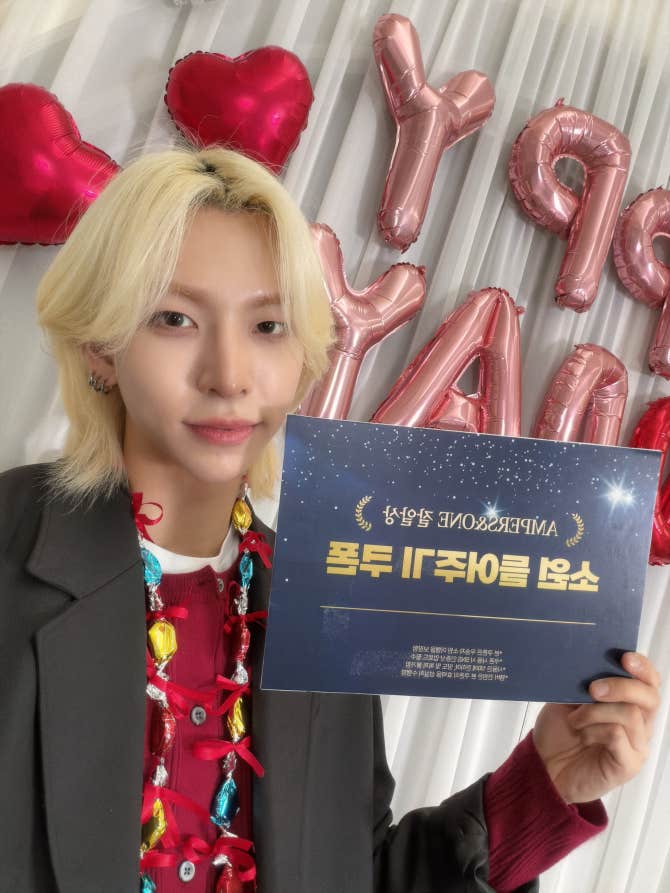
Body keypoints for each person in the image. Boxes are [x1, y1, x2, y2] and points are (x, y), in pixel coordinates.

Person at [0, 145, 661, 893]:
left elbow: (349, 870)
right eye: (175, 318)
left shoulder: (323, 595)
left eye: (268, 325)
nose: (229, 375)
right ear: (101, 347)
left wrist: (546, 783)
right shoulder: (13, 548)